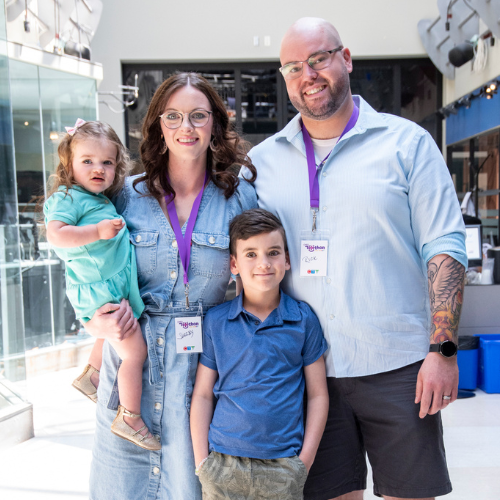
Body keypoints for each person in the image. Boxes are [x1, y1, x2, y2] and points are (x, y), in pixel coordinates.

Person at [242, 17, 468, 500]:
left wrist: (443, 350)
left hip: (398, 365)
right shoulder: (262, 162)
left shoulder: (407, 145)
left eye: (319, 59)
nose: (310, 74)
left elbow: (445, 247)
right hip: (305, 374)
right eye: (294, 67)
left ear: (345, 59)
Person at [83, 73, 258, 500]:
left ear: (215, 123)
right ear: (159, 125)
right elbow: (88, 267)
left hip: (202, 369)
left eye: (198, 116)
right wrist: (94, 323)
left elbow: (259, 284)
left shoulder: (241, 198)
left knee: (191, 487)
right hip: (131, 368)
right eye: (174, 116)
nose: (186, 127)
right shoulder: (126, 196)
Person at [190, 208, 329, 500]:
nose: (263, 263)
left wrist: (304, 463)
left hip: (283, 467)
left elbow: (318, 394)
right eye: (250, 254)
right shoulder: (217, 321)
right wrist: (202, 463)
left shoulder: (303, 320)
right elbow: (203, 394)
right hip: (222, 463)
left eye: (273, 252)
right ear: (234, 264)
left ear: (287, 260)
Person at [44, 119, 159, 451]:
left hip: (110, 287)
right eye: (88, 161)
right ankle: (130, 416)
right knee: (135, 353)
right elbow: (56, 235)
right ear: (69, 165)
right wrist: (97, 232)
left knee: (115, 337)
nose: (99, 168)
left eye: (107, 162)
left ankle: (92, 374)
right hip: (98, 289)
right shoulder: (68, 197)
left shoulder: (99, 199)